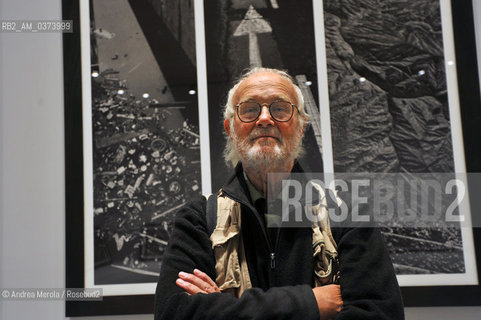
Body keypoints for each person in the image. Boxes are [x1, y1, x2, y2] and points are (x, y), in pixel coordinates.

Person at [154, 67, 404, 319]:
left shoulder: (347, 212)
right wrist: (310, 304)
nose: (264, 119)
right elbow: (173, 313)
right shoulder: (198, 220)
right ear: (230, 128)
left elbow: (381, 313)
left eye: (280, 109)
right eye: (250, 109)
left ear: (301, 126)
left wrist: (222, 308)